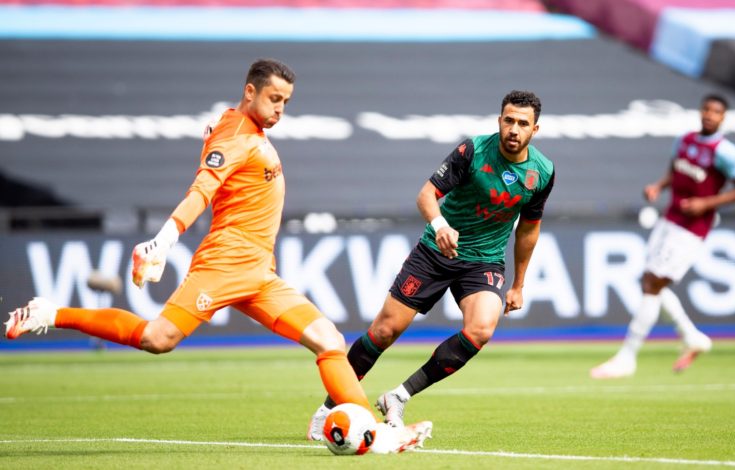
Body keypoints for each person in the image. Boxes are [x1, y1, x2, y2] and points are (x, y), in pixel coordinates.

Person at [4, 58, 430, 453]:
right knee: (157, 339)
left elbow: (219, 141)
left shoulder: (238, 127)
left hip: (259, 273)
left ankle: (376, 434)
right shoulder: (237, 136)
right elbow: (202, 190)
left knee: (329, 340)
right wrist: (163, 241)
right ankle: (50, 313)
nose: (280, 109)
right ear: (250, 91)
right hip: (224, 265)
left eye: (286, 102)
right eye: (274, 98)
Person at [306, 90, 555, 440]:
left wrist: (519, 284)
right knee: (384, 331)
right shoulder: (473, 151)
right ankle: (327, 409)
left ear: (535, 129)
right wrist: (440, 226)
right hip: (435, 252)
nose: (514, 129)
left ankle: (398, 396)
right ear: (499, 121)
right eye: (509, 121)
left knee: (481, 329)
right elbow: (426, 195)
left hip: (484, 261)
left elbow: (528, 229)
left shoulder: (542, 172)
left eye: (523, 124)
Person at [590, 93, 735, 379]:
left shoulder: (725, 151)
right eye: (706, 109)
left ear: (723, 117)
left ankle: (628, 357)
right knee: (651, 281)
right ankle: (691, 336)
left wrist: (706, 203)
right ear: (700, 111)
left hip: (692, 227)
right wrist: (658, 186)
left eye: (716, 112)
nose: (709, 115)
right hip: (670, 217)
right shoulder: (685, 139)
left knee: (653, 284)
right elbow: (674, 172)